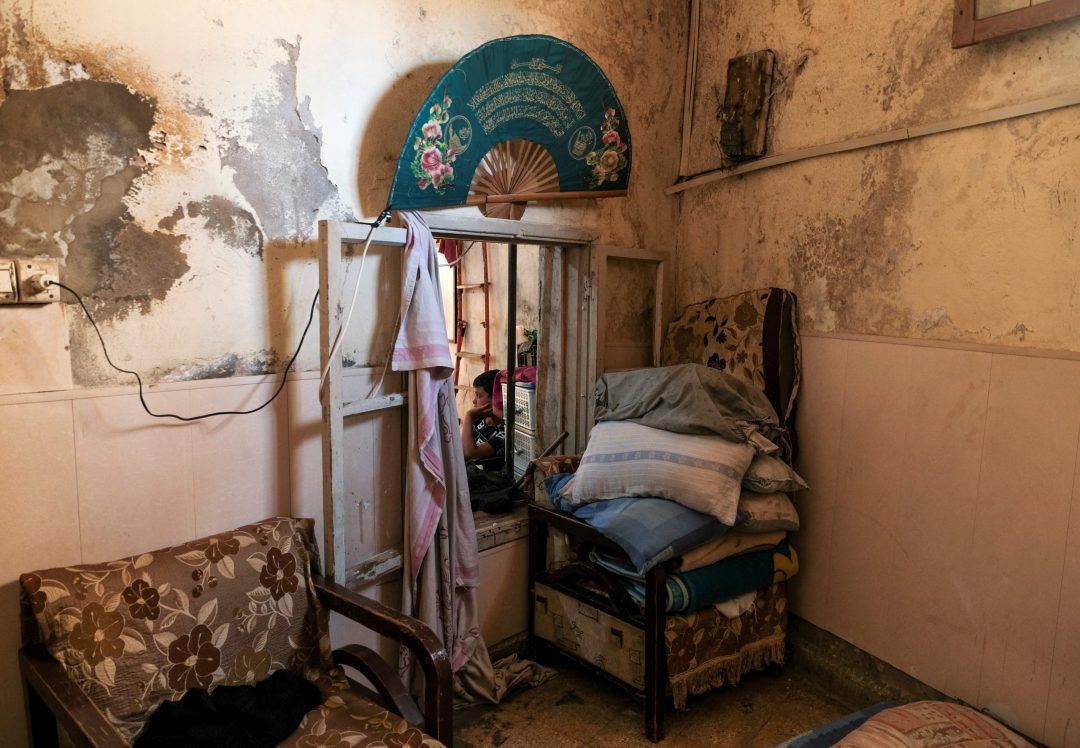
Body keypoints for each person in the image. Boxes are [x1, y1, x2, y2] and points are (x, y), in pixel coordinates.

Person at [461, 369, 505, 472]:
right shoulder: (479, 418)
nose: (474, 401)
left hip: (481, 480)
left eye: (478, 395)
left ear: (495, 399)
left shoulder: (503, 432)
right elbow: (460, 448)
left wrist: (468, 416)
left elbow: (469, 453)